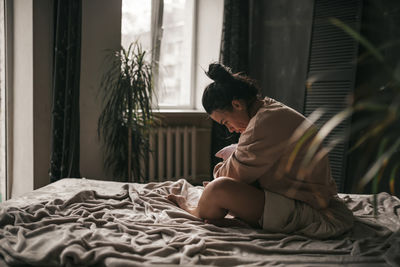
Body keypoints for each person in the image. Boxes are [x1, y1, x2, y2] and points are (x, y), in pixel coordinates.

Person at [167, 62, 354, 238]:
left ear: (237, 104)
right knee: (226, 188)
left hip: (311, 211)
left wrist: (226, 163)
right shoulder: (269, 108)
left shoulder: (262, 124)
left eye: (226, 122)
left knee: (217, 189)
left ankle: (194, 210)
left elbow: (228, 177)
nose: (230, 129)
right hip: (307, 199)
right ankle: (246, 221)